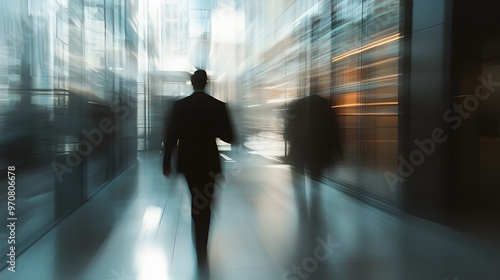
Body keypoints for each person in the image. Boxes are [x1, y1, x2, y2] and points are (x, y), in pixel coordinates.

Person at [163, 69, 234, 265]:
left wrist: (167, 162)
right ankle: (203, 242)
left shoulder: (180, 106)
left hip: (188, 161)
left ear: (192, 83)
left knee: (195, 197)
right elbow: (230, 136)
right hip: (210, 161)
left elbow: (170, 136)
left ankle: (199, 243)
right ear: (207, 83)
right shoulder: (218, 106)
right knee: (206, 201)